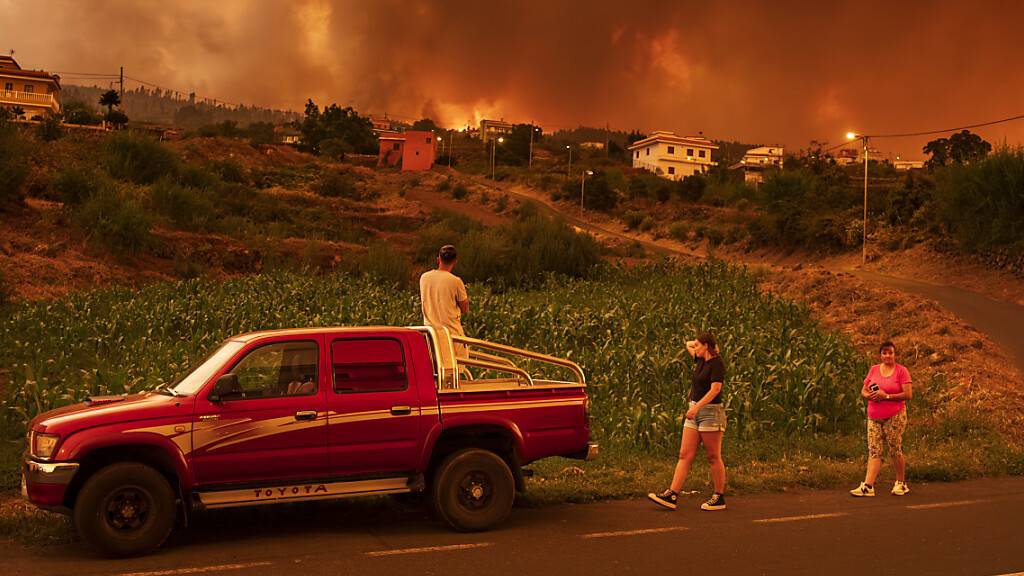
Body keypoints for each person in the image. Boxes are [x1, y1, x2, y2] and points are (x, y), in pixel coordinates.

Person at [648, 332, 728, 511]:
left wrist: (697, 407)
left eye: (699, 345)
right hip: (695, 411)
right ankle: (672, 494)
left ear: (706, 346)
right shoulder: (700, 359)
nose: (695, 348)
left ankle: (719, 496)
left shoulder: (716, 364)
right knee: (685, 454)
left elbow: (715, 390)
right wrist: (701, 344)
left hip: (710, 412)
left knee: (713, 456)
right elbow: (687, 343)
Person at [851, 340, 913, 497]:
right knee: (874, 451)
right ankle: (868, 486)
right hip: (873, 416)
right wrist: (870, 395)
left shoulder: (901, 371)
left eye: (890, 353)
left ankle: (901, 483)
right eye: (884, 353)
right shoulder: (873, 370)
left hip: (894, 416)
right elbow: (863, 390)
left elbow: (908, 394)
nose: (887, 356)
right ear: (880, 355)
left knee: (894, 449)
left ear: (894, 354)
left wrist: (885, 395)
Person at [419, 244, 470, 358]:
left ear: (438, 259)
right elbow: (465, 308)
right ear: (455, 261)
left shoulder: (424, 278)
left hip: (431, 335)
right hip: (451, 335)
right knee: (457, 370)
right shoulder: (456, 281)